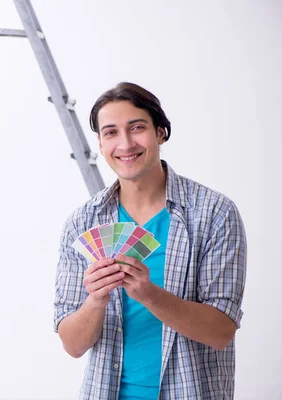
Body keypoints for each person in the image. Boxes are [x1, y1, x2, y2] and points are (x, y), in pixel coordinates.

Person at [53, 82, 247, 399]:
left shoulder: (213, 213)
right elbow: (73, 344)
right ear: (101, 145)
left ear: (160, 132)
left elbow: (221, 331)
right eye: (111, 132)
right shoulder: (82, 223)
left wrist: (148, 294)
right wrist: (96, 300)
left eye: (137, 128)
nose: (125, 143)